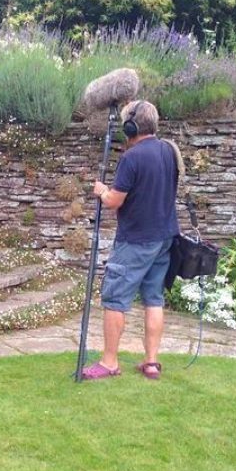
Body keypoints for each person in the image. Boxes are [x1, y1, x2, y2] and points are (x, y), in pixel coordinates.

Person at [84, 99, 180, 381]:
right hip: (164, 237)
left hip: (136, 240)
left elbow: (114, 200)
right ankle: (151, 362)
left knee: (115, 298)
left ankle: (109, 362)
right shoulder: (169, 151)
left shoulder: (132, 158)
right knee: (154, 298)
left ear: (130, 127)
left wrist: (101, 190)